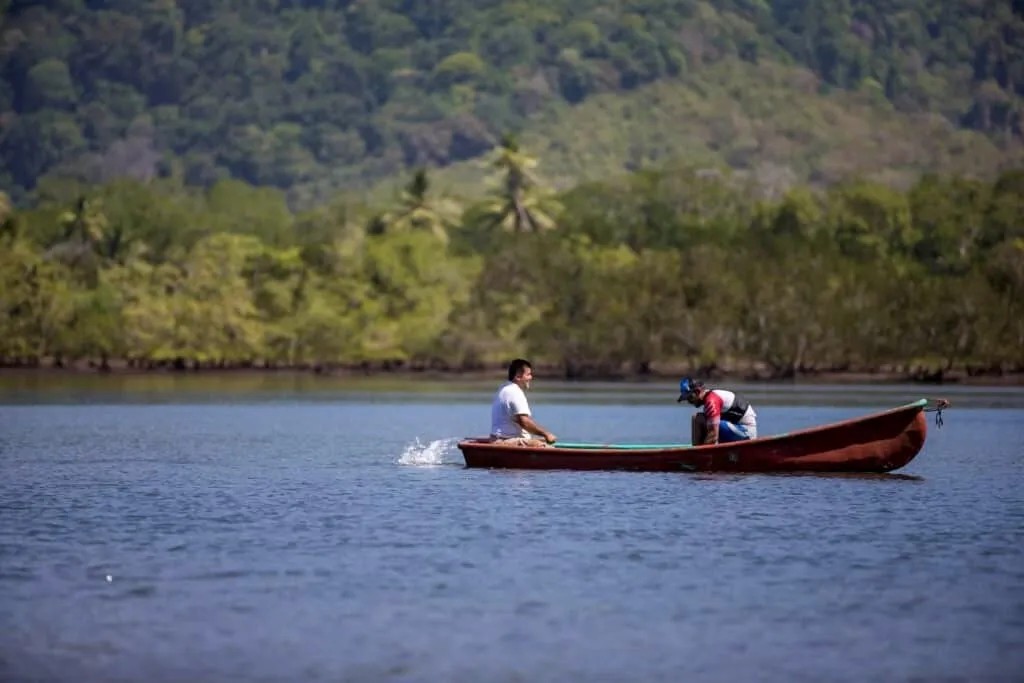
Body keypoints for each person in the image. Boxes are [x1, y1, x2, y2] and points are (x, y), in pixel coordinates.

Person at [490, 358, 557, 447]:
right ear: (518, 376)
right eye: (528, 374)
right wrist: (547, 434)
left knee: (540, 440)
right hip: (506, 441)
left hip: (499, 439)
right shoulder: (515, 392)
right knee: (547, 448)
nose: (531, 377)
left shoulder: (504, 388)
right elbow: (524, 422)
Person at [677, 377, 757, 444]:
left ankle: (698, 454)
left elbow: (713, 436)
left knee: (703, 421)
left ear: (698, 392)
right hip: (735, 428)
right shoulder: (710, 397)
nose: (688, 401)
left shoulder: (711, 401)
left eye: (689, 397)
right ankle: (696, 451)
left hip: (746, 433)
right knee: (697, 418)